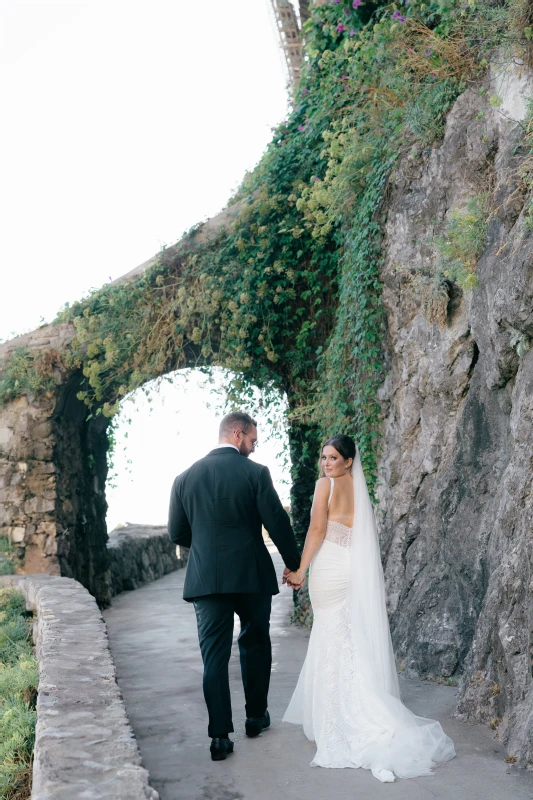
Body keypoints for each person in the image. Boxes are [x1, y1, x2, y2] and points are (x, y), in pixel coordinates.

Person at [283, 434, 456, 782]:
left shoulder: (324, 487)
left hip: (330, 567)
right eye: (323, 458)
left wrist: (301, 569)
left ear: (348, 461)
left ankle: (337, 717)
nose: (326, 463)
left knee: (331, 634)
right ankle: (354, 706)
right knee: (343, 635)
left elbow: (317, 528)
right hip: (350, 569)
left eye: (333, 458)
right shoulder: (359, 491)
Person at [168, 411, 302, 762]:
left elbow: (177, 534)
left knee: (213, 656)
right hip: (250, 574)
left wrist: (209, 544)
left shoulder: (184, 479)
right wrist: (294, 562)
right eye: (253, 441)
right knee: (255, 641)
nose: (253, 448)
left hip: (206, 577)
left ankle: (220, 738)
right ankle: (256, 716)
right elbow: (277, 521)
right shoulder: (255, 473)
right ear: (238, 433)